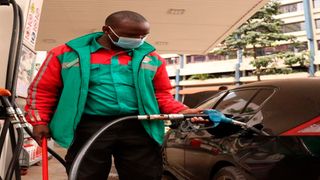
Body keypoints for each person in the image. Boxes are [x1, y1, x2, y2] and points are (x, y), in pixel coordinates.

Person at [25, 10, 202, 179]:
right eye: (131, 36)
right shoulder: (65, 54)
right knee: (86, 175)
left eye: (142, 36)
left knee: (144, 174)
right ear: (107, 30)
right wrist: (39, 121)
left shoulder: (152, 58)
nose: (137, 40)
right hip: (88, 126)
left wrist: (183, 110)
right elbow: (42, 90)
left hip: (139, 125)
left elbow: (162, 94)